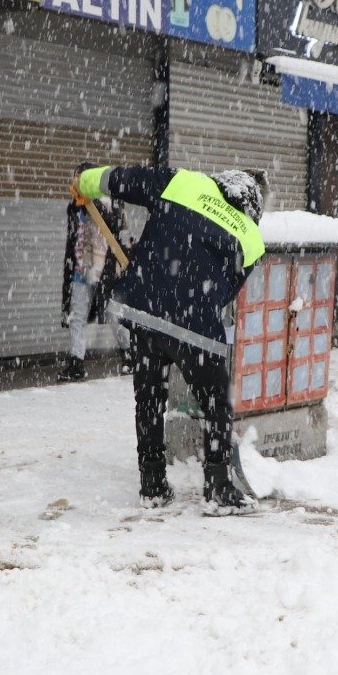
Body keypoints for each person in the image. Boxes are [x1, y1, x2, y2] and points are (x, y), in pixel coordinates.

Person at [72, 163, 265, 513]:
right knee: (217, 405)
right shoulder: (251, 238)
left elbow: (122, 180)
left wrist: (84, 182)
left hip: (143, 311)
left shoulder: (184, 182)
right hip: (196, 326)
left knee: (149, 399)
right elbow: (224, 294)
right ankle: (218, 487)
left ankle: (152, 484)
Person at [59, 185, 130, 382]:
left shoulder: (112, 203)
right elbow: (73, 238)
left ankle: (129, 354)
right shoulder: (77, 206)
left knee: (114, 314)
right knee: (77, 316)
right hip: (81, 271)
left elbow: (117, 226)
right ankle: (76, 362)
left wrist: (94, 203)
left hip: (104, 272)